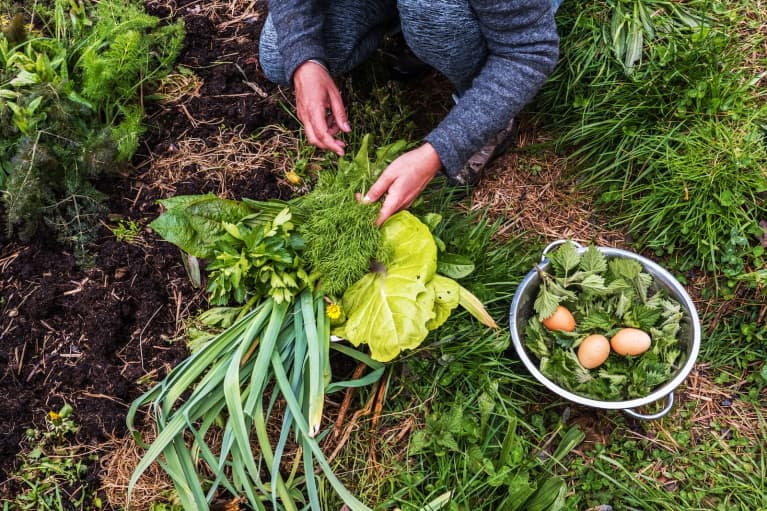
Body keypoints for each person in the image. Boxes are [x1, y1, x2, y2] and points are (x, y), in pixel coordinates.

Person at [259, 0, 560, 225]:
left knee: (432, 15)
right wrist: (305, 59)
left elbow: (528, 52)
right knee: (279, 54)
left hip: (508, 16)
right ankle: (411, 27)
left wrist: (440, 151)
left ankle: (488, 117)